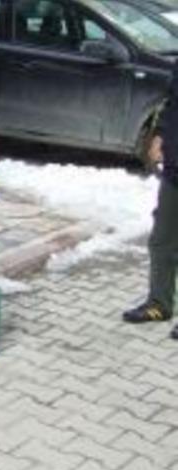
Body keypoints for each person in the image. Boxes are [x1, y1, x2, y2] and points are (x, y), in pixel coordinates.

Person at [123, 61, 178, 338]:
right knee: (162, 239)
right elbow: (172, 102)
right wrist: (158, 136)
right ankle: (159, 303)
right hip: (175, 170)